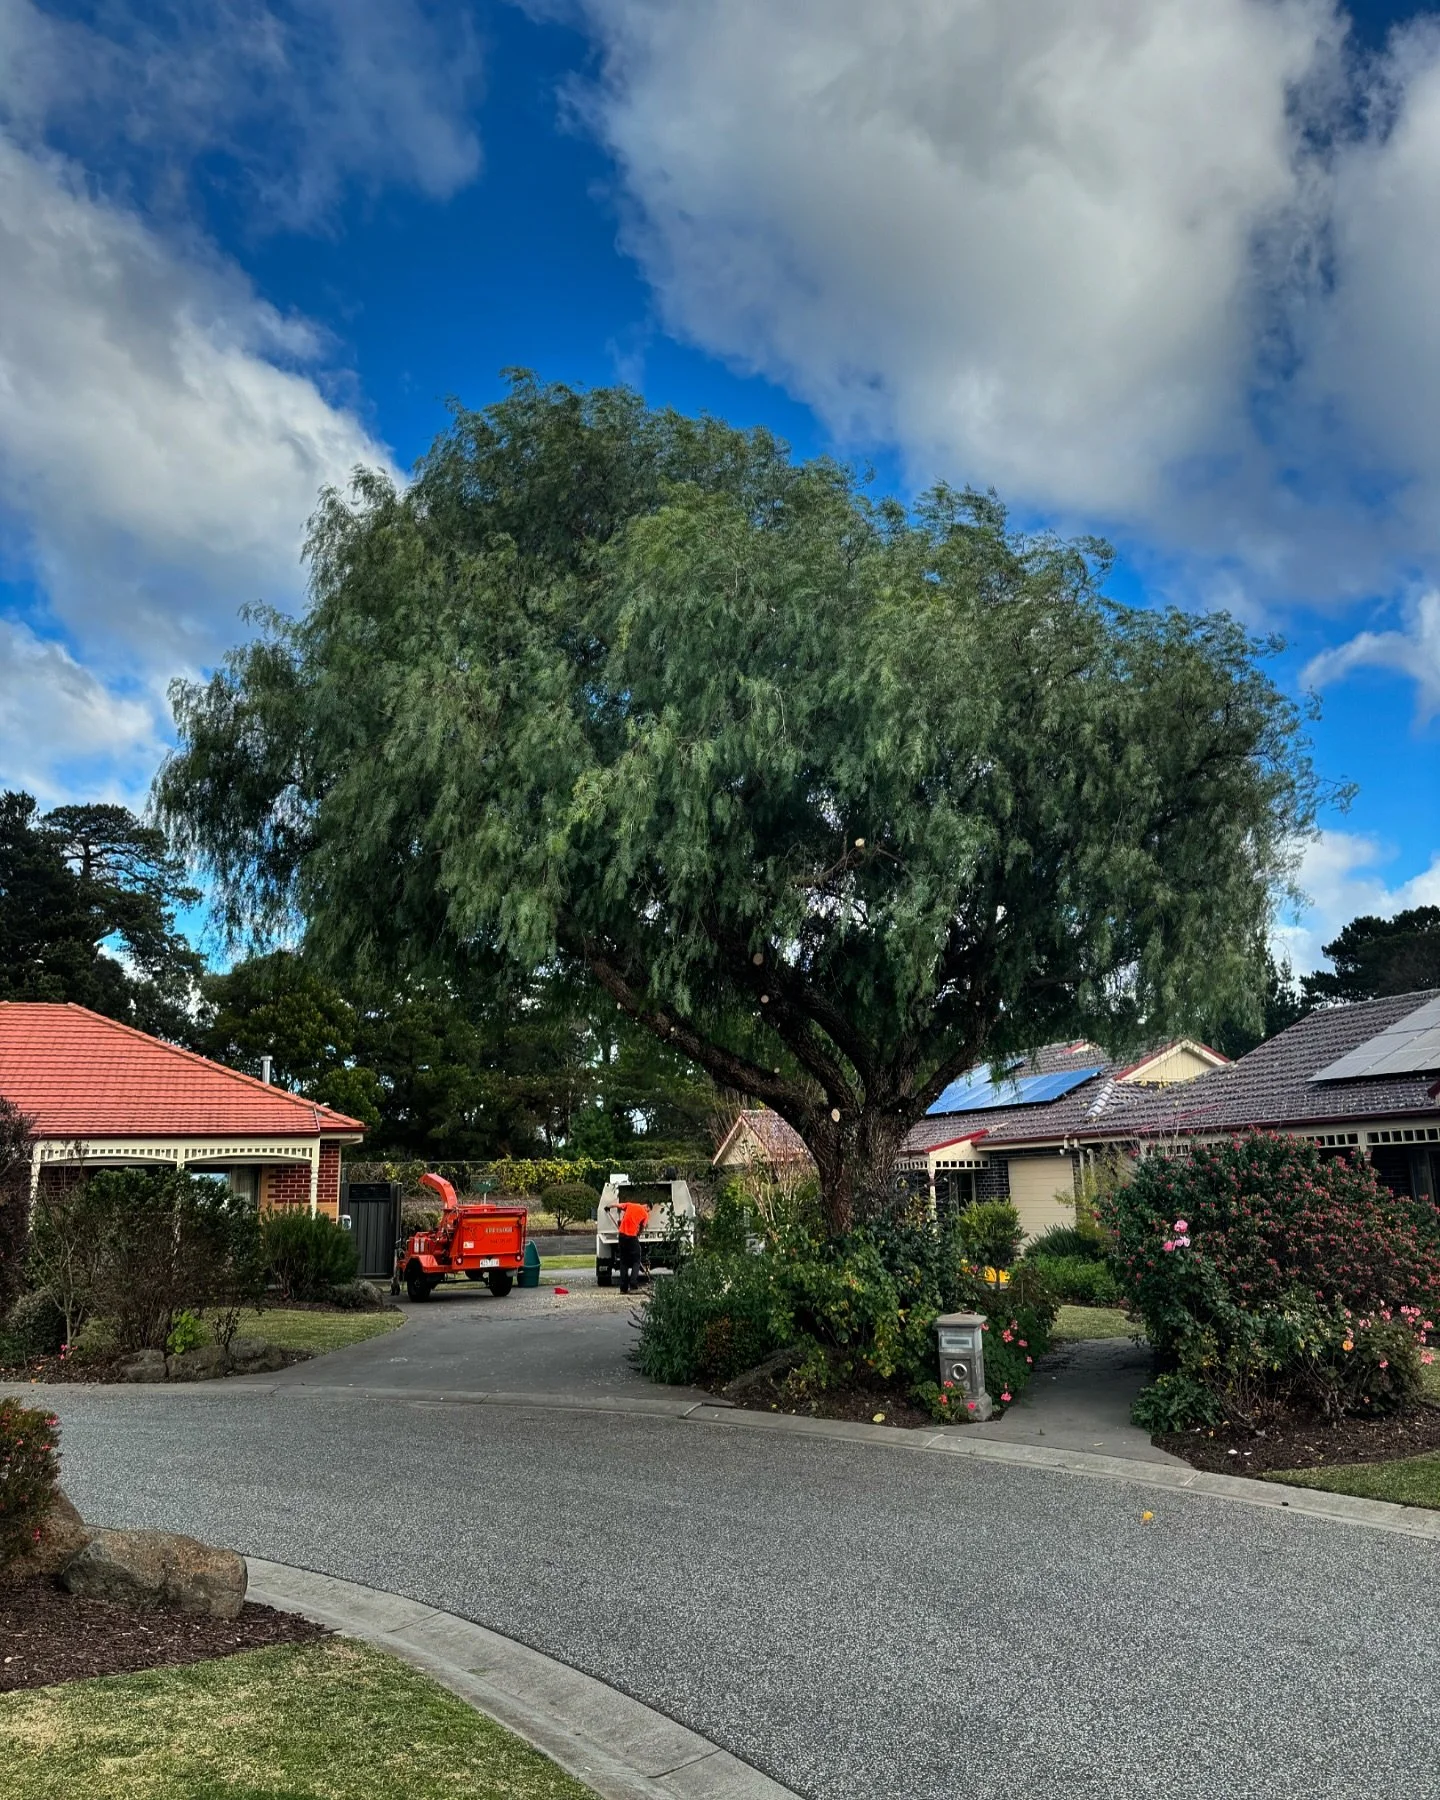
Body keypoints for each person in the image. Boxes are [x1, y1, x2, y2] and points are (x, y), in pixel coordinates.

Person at [609, 1192, 651, 1294]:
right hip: (632, 1237)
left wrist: (610, 1206)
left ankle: (623, 1288)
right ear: (647, 1206)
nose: (648, 1211)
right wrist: (638, 1234)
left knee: (623, 1262)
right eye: (649, 1210)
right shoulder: (645, 1214)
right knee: (636, 1260)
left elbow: (619, 1205)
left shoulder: (631, 1205)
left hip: (622, 1236)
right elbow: (642, 1227)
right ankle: (633, 1284)